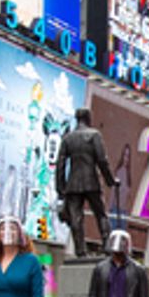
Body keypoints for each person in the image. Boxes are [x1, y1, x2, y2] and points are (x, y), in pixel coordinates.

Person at [55, 108, 118, 257]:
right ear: (88, 118)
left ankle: (80, 251)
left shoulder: (68, 138)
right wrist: (110, 180)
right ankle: (107, 245)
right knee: (101, 214)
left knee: (76, 217)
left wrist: (61, 188)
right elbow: (102, 160)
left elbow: (60, 165)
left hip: (73, 184)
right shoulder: (95, 135)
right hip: (91, 182)